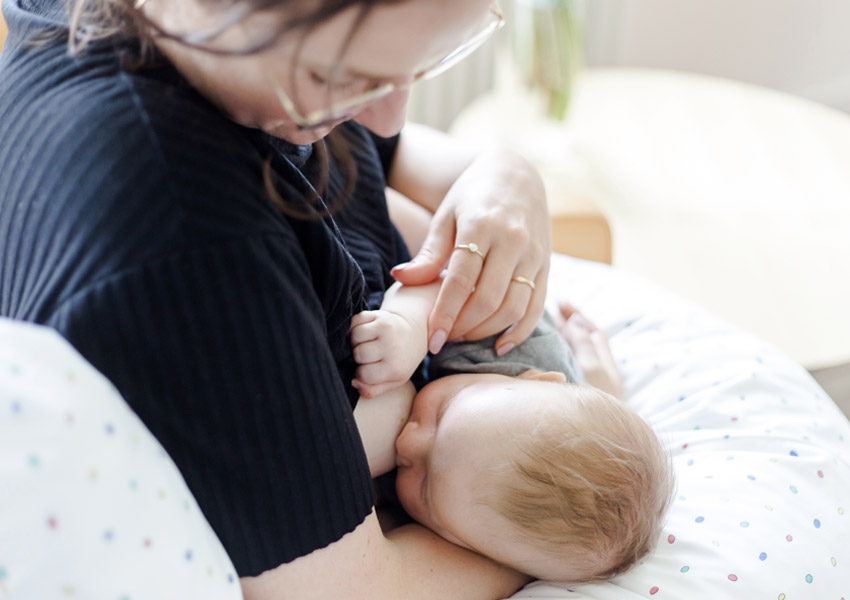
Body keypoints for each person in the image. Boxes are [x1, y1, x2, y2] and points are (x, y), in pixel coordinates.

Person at [0, 0, 554, 598]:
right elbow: (355, 591)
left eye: (422, 67)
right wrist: (554, 535)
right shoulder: (187, 241)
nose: (387, 117)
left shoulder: (158, 38)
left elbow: (393, 153)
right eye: (342, 79)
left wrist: (504, 173)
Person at [350, 277, 674, 584]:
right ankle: (591, 372)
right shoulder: (507, 343)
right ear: (534, 378)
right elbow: (449, 281)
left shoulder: (479, 525)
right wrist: (408, 325)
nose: (408, 442)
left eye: (425, 487)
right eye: (442, 412)